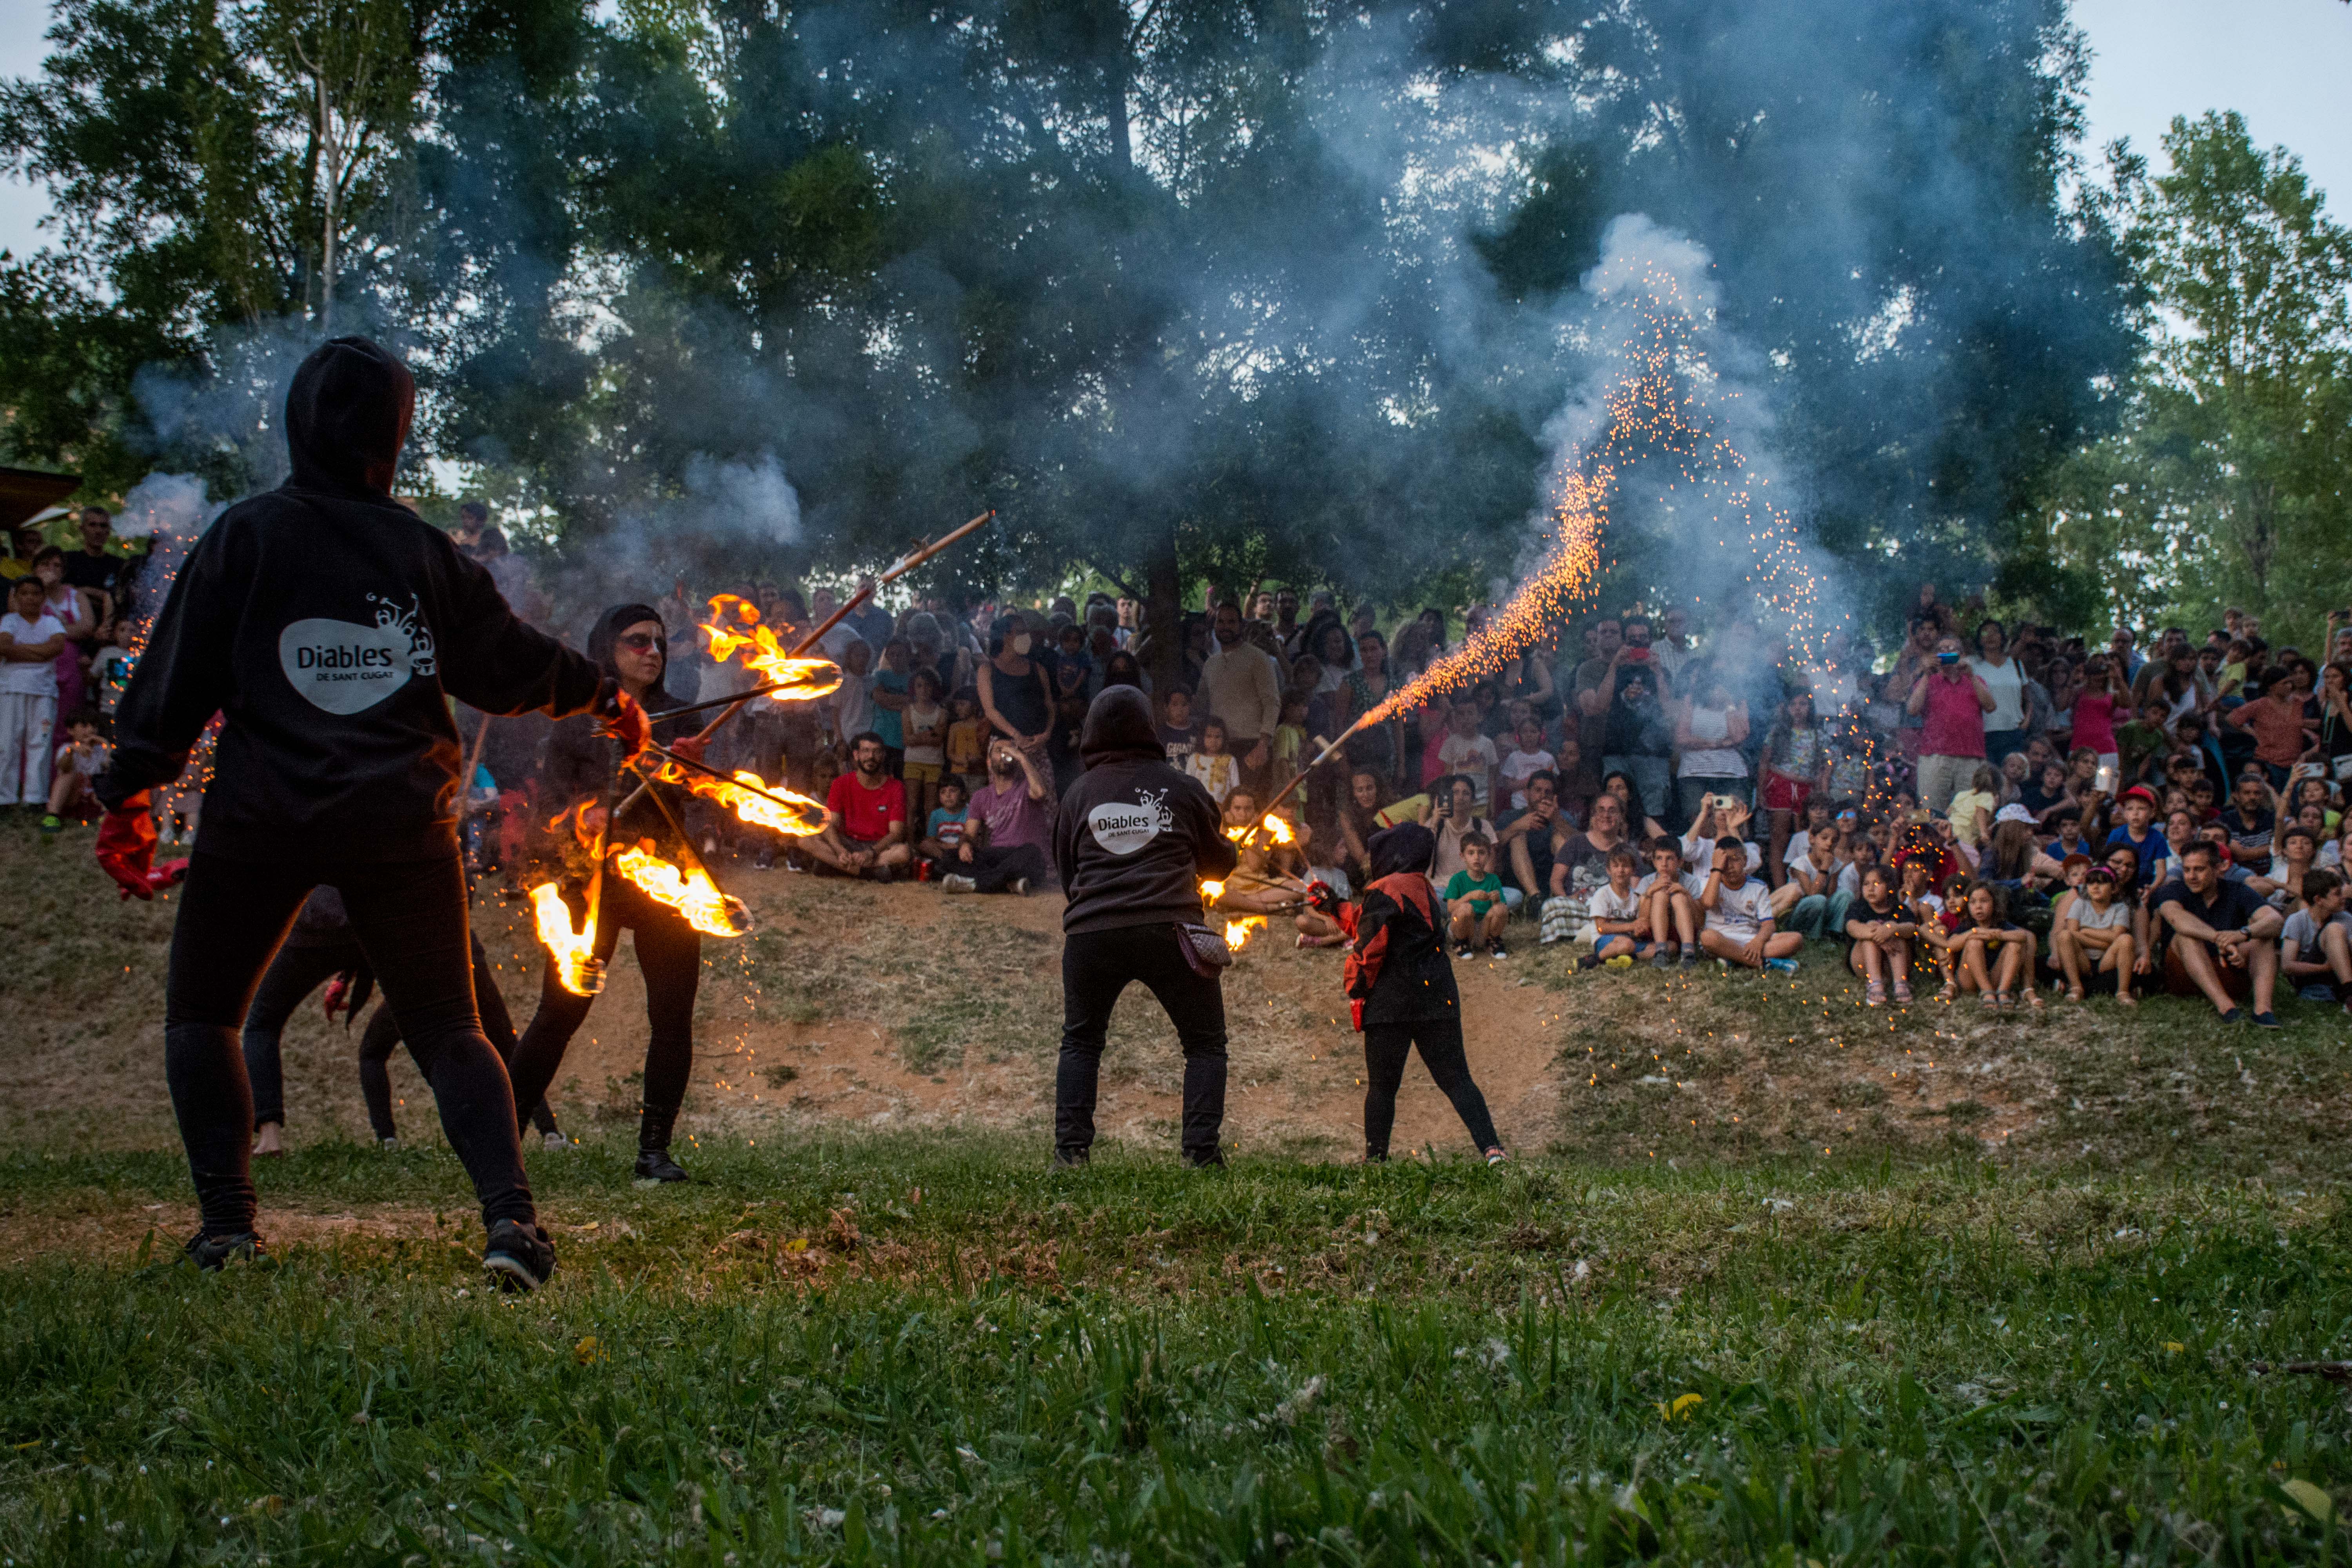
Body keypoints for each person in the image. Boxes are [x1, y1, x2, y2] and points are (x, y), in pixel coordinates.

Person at [93, 335, 625, 1288]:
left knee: (205, 1012)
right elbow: (508, 661)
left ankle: (228, 1230)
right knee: (447, 1026)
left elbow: (175, 680)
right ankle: (512, 1225)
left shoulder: (247, 536)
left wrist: (126, 782)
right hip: (396, 816)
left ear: (300, 425)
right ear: (394, 438)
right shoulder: (419, 550)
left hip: (263, 814)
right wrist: (601, 691)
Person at [505, 602, 707, 1186]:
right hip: (588, 880)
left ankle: (654, 1152)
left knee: (673, 1016)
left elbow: (694, 794)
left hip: (665, 878)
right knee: (560, 1011)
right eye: (638, 641)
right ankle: (502, 1142)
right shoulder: (578, 717)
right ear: (607, 649)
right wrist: (582, 818)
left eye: (660, 643)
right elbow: (549, 807)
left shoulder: (678, 714)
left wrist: (686, 770)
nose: (653, 652)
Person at [1049, 685, 1238, 1167]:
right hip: (1169, 929)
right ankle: (1200, 1155)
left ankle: (1071, 1154)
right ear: (1148, 729)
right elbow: (1216, 866)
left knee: (1082, 1041)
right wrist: (1229, 849)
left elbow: (1068, 874)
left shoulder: (1078, 794)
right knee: (1204, 1044)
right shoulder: (1181, 786)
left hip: (1092, 933)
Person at [1326, 823, 1504, 1165]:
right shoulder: (1420, 885)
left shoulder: (1385, 889)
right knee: (1457, 1080)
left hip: (1392, 1000)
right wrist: (1333, 906)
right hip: (1437, 995)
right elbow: (1368, 919)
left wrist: (1356, 986)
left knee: (1382, 1087)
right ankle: (1493, 1150)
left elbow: (1370, 946)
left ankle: (1375, 1160)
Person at [2149, 840, 2282, 1024]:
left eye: (2199, 870)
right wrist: (2221, 939)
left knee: (2263, 938)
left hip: (2230, 968)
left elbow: (2275, 920)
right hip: (2184, 974)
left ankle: (2263, 1011)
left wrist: (2242, 934)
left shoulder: (2238, 890)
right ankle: (2227, 1008)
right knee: (2185, 936)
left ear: (2218, 868)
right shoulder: (2173, 889)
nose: (2192, 876)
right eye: (2187, 870)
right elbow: (2177, 919)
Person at [948, 735, 1054, 894]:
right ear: (989, 762)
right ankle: (1008, 883)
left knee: (1031, 853)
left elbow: (1040, 793)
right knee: (950, 858)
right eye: (1000, 750)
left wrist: (1021, 757)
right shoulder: (980, 796)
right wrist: (965, 844)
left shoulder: (1027, 786)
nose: (1006, 754)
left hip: (1026, 856)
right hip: (998, 856)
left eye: (1011, 750)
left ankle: (975, 884)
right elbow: (969, 833)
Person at [1200, 600, 1281, 795]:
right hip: (1218, 748)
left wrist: (1263, 745)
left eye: (1232, 622)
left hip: (1251, 747)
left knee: (1248, 807)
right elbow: (1201, 705)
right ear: (1215, 626)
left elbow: (1272, 703)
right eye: (1221, 622)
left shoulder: (1258, 658)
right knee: (1220, 805)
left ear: (1241, 626)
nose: (1226, 627)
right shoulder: (1211, 663)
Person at [1907, 635, 1994, 815]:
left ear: (1962, 655)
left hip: (1971, 755)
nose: (1947, 653)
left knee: (1968, 812)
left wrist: (1972, 675)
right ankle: (1928, 843)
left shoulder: (1975, 680)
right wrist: (1926, 674)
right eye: (1942, 650)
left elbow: (1991, 706)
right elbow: (1912, 710)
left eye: (1952, 650)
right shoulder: (1928, 681)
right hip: (1935, 755)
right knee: (1930, 810)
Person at [0, 574, 66, 808]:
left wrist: (19, 650)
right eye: (24, 593)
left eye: (35, 593)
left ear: (43, 597)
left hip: (44, 691)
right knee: (7, 743)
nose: (30, 598)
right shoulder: (9, 621)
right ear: (16, 597)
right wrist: (41, 651)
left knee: (40, 742)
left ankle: (35, 797)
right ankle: (5, 797)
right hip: (10, 689)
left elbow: (56, 648)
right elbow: (5, 648)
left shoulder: (52, 623)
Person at [1698, 838, 1798, 973]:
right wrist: (1716, 869)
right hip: (1721, 938)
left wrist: (1758, 942)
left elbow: (1769, 924)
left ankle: (1733, 959)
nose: (1730, 866)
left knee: (1796, 939)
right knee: (1707, 937)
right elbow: (1708, 903)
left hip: (1750, 939)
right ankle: (1765, 963)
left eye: (1735, 859)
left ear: (1745, 861)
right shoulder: (1710, 883)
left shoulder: (1758, 887)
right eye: (1725, 861)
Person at [1672, 661, 1751, 831]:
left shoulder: (1736, 704)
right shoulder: (1691, 702)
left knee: (1733, 825)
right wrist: (1714, 743)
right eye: (1714, 685)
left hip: (1731, 774)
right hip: (1695, 773)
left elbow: (1739, 737)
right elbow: (1681, 737)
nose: (1718, 690)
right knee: (1701, 826)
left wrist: (1729, 704)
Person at [2051, 864, 2139, 1005]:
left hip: (2107, 959)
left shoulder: (2120, 908)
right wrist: (2105, 941)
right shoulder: (2080, 904)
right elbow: (2072, 933)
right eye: (2091, 883)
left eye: (2102, 882)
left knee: (2126, 940)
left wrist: (2086, 931)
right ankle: (2076, 988)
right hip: (2083, 958)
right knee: (2064, 936)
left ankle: (2123, 992)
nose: (2095, 887)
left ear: (2114, 888)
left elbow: (2118, 936)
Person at [977, 616, 1055, 764]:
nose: (1026, 636)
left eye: (1027, 632)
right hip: (1004, 746)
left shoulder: (1038, 669)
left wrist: (1047, 733)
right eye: (1020, 632)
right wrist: (1016, 735)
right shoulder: (988, 670)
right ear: (1005, 636)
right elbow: (990, 710)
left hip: (1037, 745)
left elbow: (1050, 705)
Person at [2280, 867, 2352, 1011]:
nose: (2343, 897)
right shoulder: (2298, 920)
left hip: (2339, 978)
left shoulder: (2346, 918)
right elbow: (2288, 966)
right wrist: (2325, 968)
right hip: (2314, 976)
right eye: (2337, 894)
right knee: (2334, 930)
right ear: (2319, 900)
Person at [1635, 834, 1704, 967]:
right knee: (1660, 894)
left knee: (1679, 896)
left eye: (1670, 859)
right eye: (1659, 859)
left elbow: (1700, 921)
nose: (1664, 864)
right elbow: (1642, 919)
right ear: (1654, 862)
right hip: (1654, 932)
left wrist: (1686, 894)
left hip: (1683, 932)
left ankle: (1688, 952)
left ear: (1680, 862)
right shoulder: (1647, 881)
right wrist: (1650, 892)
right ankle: (1661, 952)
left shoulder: (1691, 881)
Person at [1579, 843, 1647, 969]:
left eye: (1626, 866)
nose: (1621, 871)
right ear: (1608, 870)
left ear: (1633, 870)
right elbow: (1601, 928)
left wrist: (1641, 929)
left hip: (1630, 940)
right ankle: (1595, 958)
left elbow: (1639, 925)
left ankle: (1621, 958)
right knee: (1627, 945)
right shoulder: (1603, 894)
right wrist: (1632, 926)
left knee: (1669, 947)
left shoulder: (1636, 896)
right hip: (1606, 939)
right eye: (1616, 866)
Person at [1444, 833, 1511, 959]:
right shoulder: (1457, 879)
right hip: (1461, 926)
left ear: (1489, 856)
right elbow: (1450, 908)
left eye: (1481, 853)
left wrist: (1496, 901)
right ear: (1462, 856)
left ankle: (1492, 941)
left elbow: (1500, 910)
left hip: (1484, 927)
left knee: (1501, 908)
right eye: (1471, 853)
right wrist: (1470, 896)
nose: (1477, 857)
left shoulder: (1493, 880)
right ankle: (1461, 943)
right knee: (1466, 909)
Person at [43, 706, 106, 831]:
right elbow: (63, 768)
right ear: (71, 731)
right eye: (84, 726)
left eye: (93, 726)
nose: (90, 730)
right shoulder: (67, 748)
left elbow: (110, 768)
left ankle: (106, 816)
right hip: (73, 797)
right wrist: (70, 752)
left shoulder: (101, 750)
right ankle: (52, 815)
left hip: (94, 799)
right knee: (67, 775)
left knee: (107, 779)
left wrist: (107, 746)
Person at [1182, 716, 1240, 804]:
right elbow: (1188, 785)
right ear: (1202, 738)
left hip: (1222, 807)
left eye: (1218, 737)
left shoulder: (1230, 760)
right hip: (1200, 805)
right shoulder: (1195, 759)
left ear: (1224, 738)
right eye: (1209, 736)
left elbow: (1236, 788)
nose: (1213, 741)